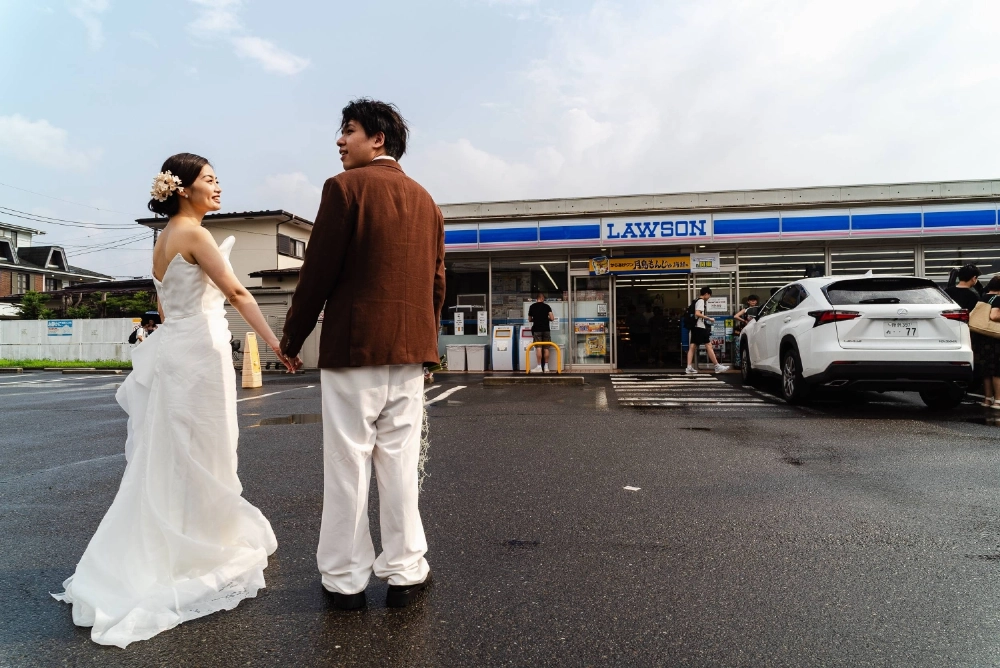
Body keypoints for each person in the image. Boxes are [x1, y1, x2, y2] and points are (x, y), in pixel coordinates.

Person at [53, 153, 293, 648]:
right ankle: (200, 547)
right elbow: (238, 294)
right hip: (199, 355)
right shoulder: (195, 234)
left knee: (175, 453)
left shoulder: (163, 240)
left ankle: (181, 540)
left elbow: (165, 306)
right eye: (209, 179)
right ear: (183, 189)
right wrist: (277, 345)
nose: (218, 186)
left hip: (177, 352)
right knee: (203, 449)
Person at [280, 99, 443, 611]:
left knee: (348, 464)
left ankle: (346, 580)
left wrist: (291, 339)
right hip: (410, 350)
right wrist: (428, 346)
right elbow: (437, 281)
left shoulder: (344, 188)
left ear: (377, 138)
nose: (339, 141)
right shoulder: (427, 201)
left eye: (347, 131)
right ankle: (406, 569)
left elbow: (318, 273)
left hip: (355, 348)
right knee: (399, 464)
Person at [686, 286, 729, 374]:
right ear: (706, 294)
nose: (709, 298)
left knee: (692, 346)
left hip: (695, 327)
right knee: (708, 345)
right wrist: (709, 318)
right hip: (699, 327)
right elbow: (697, 313)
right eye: (709, 295)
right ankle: (717, 366)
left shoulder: (696, 300)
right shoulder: (701, 301)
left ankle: (689, 367)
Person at [974, 275, 1000, 408]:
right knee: (997, 370)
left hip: (982, 337)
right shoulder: (998, 299)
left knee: (987, 370)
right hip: (995, 339)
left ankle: (987, 399)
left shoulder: (982, 298)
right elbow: (994, 315)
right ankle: (998, 400)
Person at [528, 292, 555, 372]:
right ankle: (546, 367)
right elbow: (552, 318)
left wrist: (535, 319)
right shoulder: (547, 307)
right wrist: (547, 319)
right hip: (546, 329)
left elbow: (529, 319)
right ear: (542, 298)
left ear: (537, 298)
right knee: (546, 348)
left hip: (537, 330)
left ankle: (539, 367)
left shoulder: (532, 306)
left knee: (538, 347)